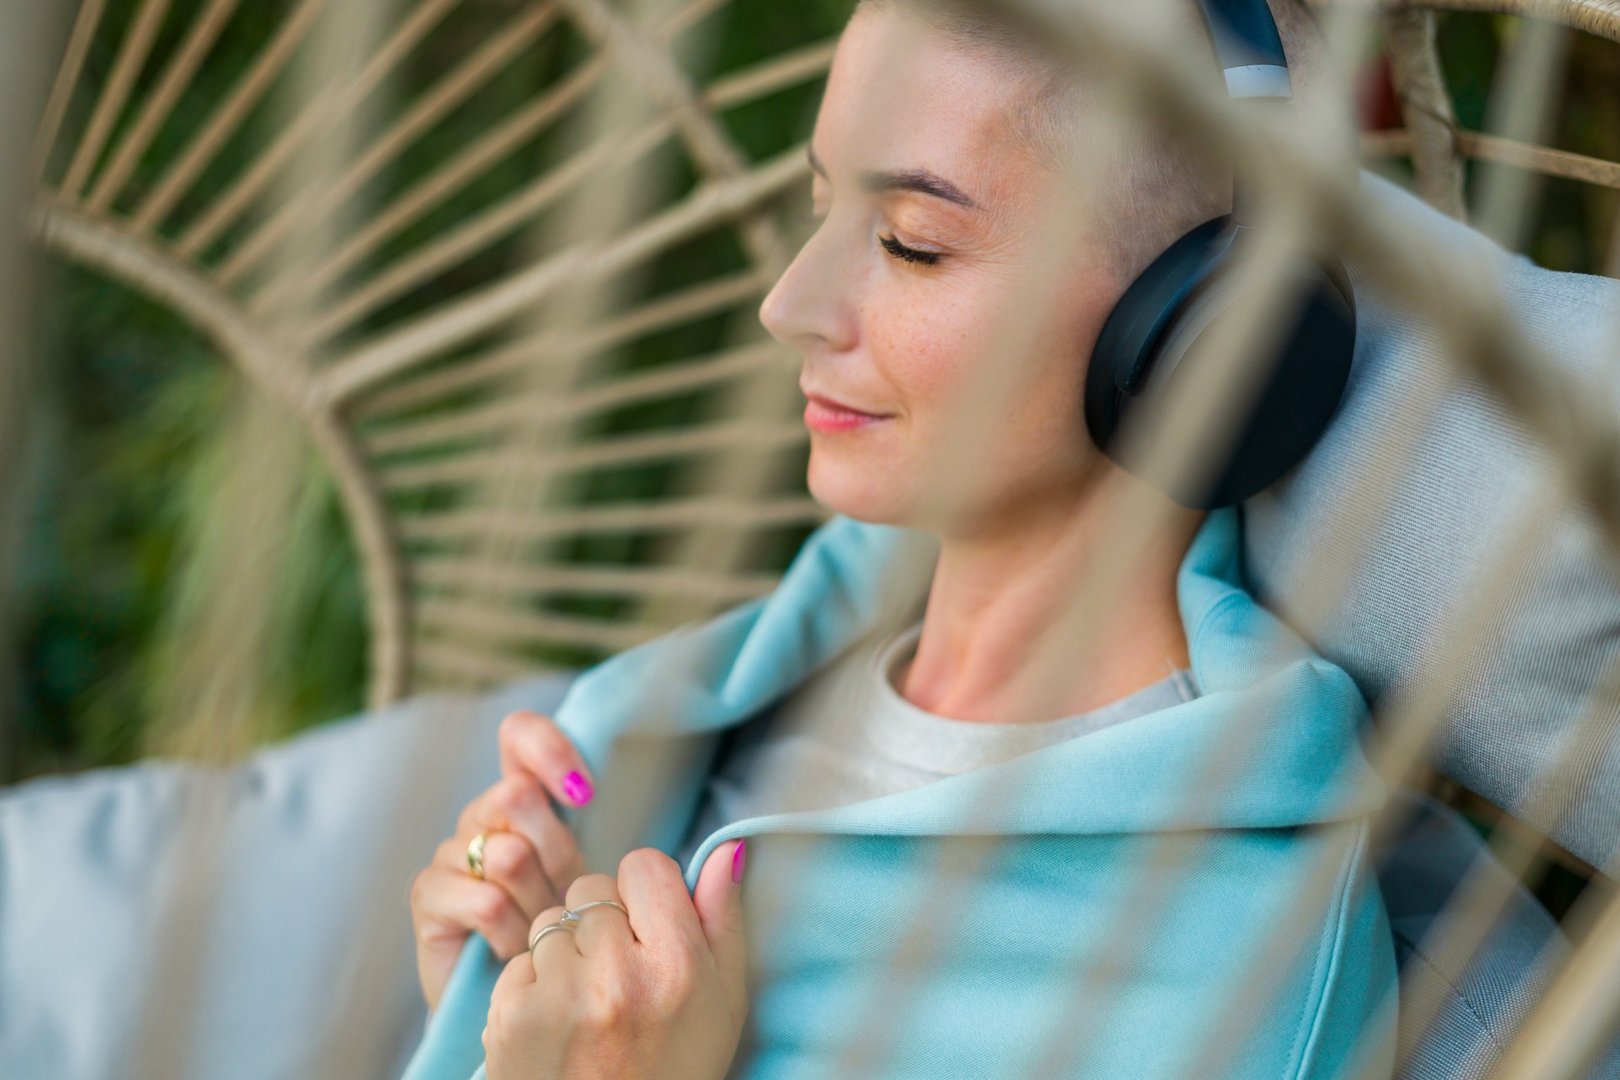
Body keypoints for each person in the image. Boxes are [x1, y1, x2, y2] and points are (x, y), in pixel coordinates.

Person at [403, 1, 1397, 1077]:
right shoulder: (723, 693)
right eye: (822, 204)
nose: (789, 304)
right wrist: (493, 1002)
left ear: (1212, 327)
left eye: (909, 243)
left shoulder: (1230, 973)